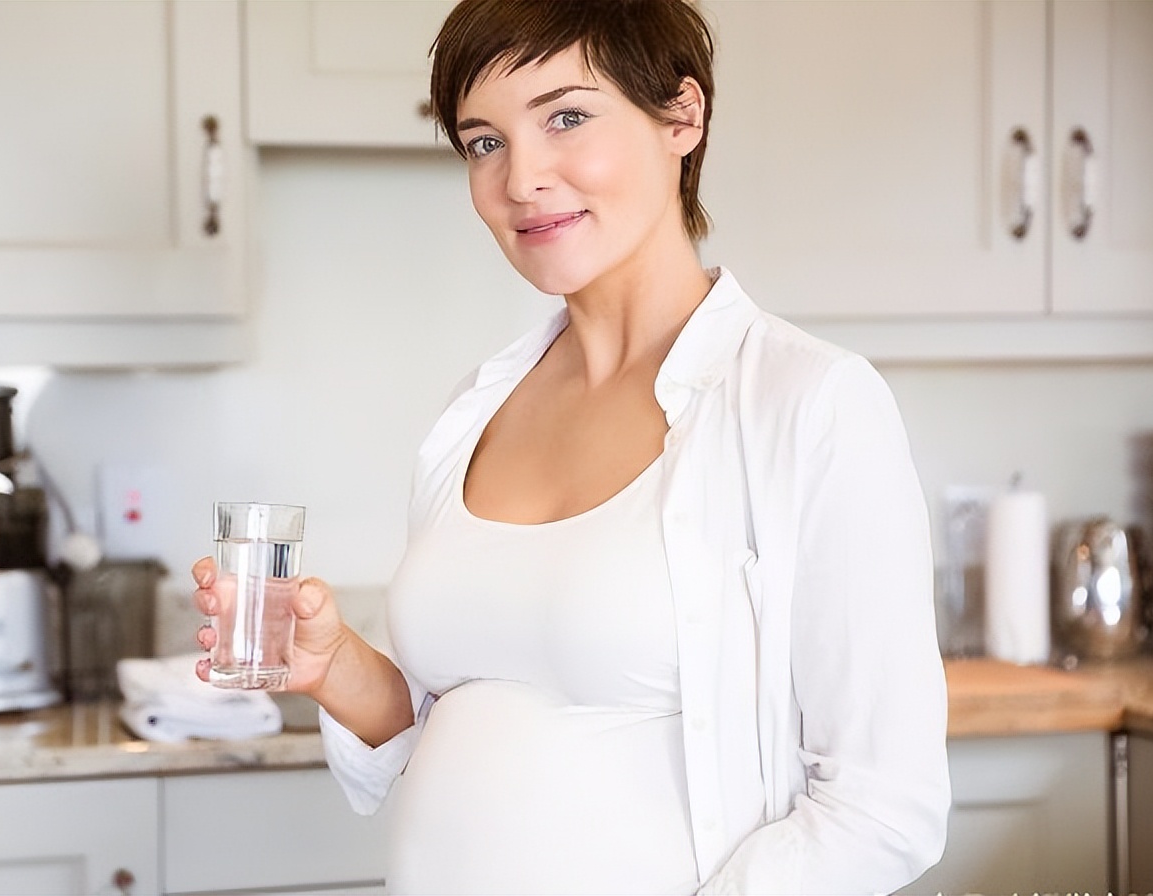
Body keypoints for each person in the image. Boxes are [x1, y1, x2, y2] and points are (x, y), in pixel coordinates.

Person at [191, 1, 951, 892]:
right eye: (484, 142)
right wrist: (338, 668)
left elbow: (883, 808)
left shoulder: (807, 403)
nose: (521, 179)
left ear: (682, 116)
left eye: (566, 117)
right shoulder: (472, 411)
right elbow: (463, 724)